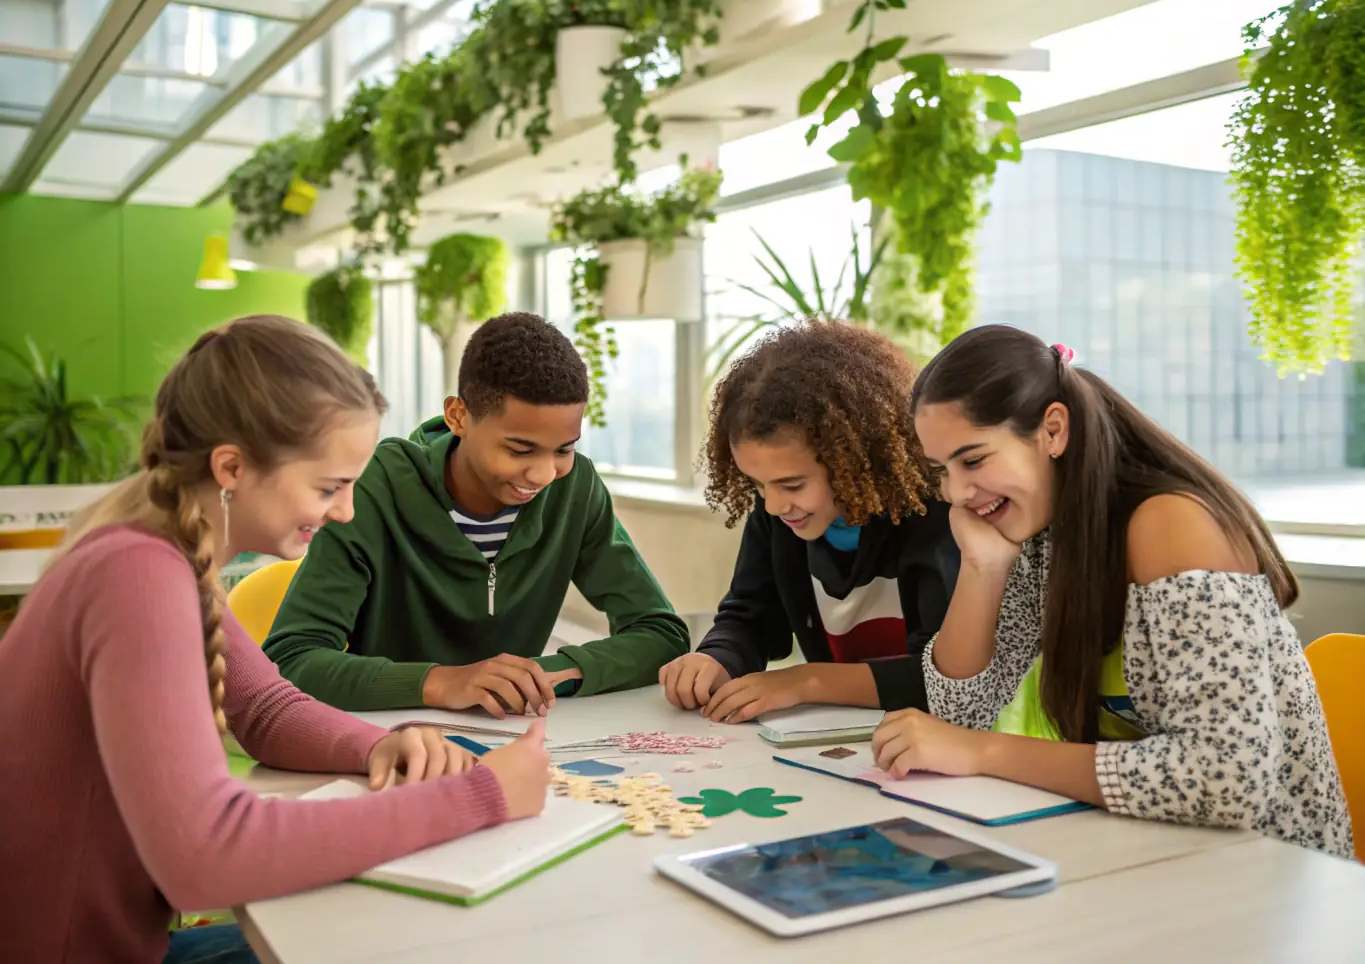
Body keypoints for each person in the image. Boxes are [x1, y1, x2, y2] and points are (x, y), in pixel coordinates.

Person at [0, 315, 552, 964]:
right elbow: (206, 856)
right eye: (329, 487)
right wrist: (478, 796)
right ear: (231, 466)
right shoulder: (137, 575)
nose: (345, 511)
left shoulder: (161, 549)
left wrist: (385, 745)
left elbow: (265, 709)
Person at [871, 324, 1352, 857]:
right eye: (942, 471)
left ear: (1052, 431)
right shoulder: (1041, 532)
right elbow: (960, 716)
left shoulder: (1171, 524)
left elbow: (1225, 780)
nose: (957, 493)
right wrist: (982, 567)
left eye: (974, 459)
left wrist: (984, 752)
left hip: (1268, 867)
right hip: (1149, 848)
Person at [264, 311, 689, 714]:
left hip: (512, 736)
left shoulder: (575, 489)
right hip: (390, 738)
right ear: (458, 416)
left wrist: (543, 674)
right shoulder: (372, 489)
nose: (544, 473)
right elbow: (291, 658)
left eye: (564, 449)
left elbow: (660, 632)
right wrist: (442, 683)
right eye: (519, 449)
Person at [659, 320, 960, 722]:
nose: (772, 506)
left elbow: (945, 680)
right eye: (758, 485)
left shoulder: (936, 517)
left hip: (937, 749)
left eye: (792, 484)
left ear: (853, 459)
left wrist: (806, 681)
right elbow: (751, 615)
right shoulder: (781, 515)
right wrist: (716, 658)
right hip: (832, 741)